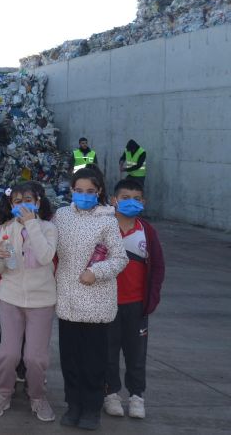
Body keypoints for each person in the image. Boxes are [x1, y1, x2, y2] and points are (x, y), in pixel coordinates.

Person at [53, 168, 128, 430]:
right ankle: (73, 405)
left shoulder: (108, 220)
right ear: (71, 190)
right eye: (79, 191)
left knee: (94, 361)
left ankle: (92, 408)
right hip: (67, 299)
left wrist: (95, 272)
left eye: (90, 192)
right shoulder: (61, 216)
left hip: (96, 300)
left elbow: (120, 258)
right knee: (70, 358)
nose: (84, 196)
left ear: (99, 193)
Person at [0, 182, 58, 422]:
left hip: (41, 301)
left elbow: (46, 256)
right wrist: (2, 258)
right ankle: (2, 393)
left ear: (38, 202)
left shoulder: (48, 228)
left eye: (28, 200)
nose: (23, 205)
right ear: (11, 205)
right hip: (11, 299)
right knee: (8, 354)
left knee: (35, 358)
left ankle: (37, 396)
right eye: (17, 201)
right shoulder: (6, 229)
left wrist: (31, 225)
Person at [104, 178, 165, 420]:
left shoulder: (147, 231)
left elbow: (158, 266)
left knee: (136, 354)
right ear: (114, 200)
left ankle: (137, 396)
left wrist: (152, 298)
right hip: (108, 304)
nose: (131, 202)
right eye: (125, 197)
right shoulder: (104, 228)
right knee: (108, 353)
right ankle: (111, 394)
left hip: (137, 305)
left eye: (136, 198)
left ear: (143, 202)